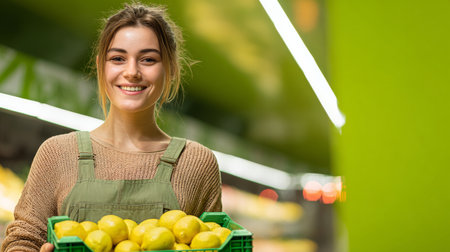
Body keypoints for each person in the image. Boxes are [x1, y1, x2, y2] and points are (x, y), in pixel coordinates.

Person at [1, 2, 222, 252]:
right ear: (101, 67)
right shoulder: (58, 153)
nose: (132, 72)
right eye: (118, 58)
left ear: (170, 69)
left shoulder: (196, 163)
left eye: (148, 59)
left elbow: (215, 241)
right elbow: (22, 240)